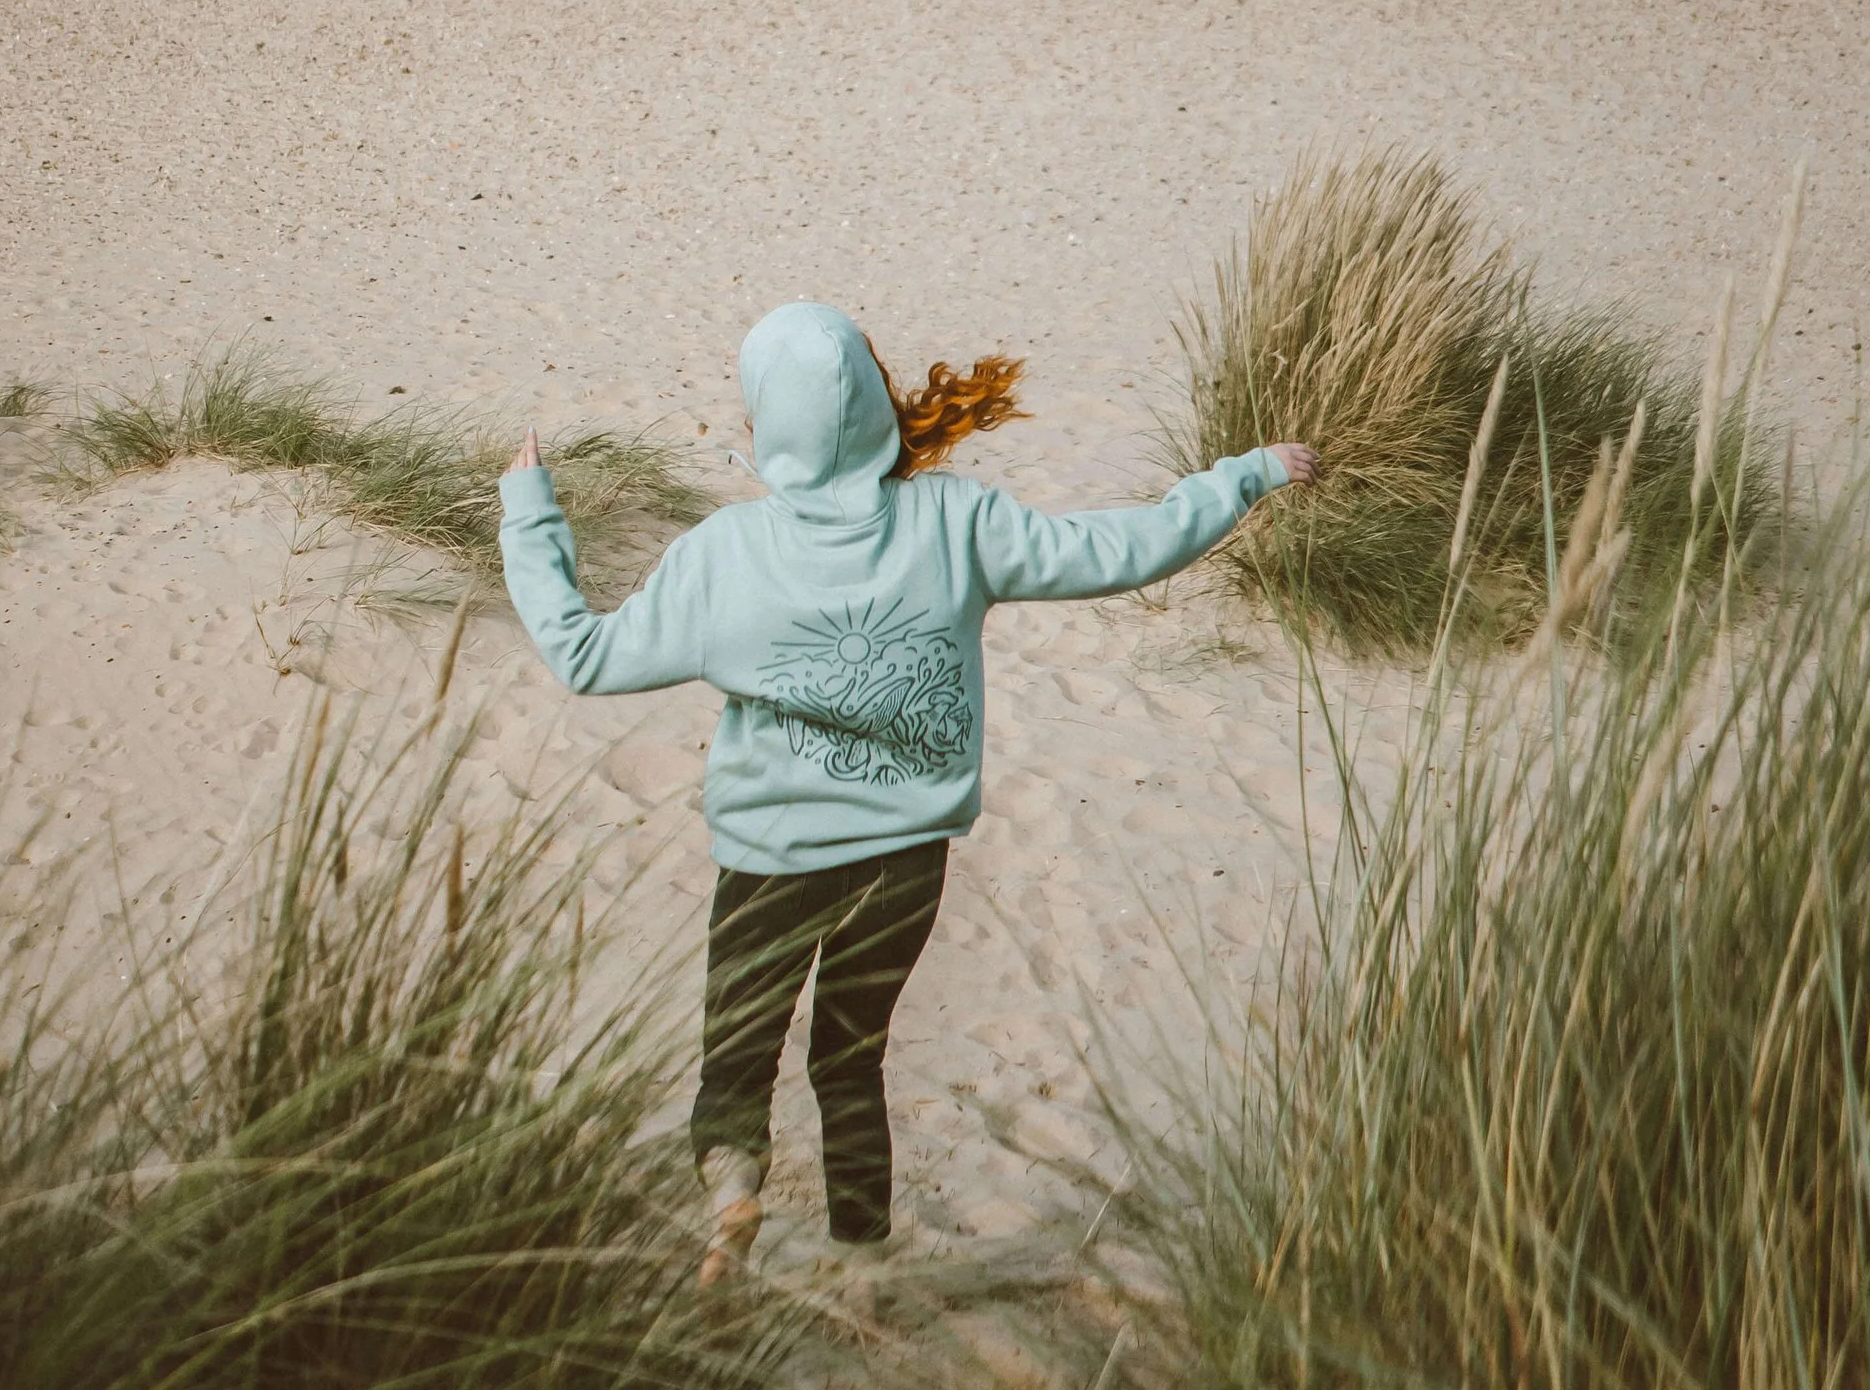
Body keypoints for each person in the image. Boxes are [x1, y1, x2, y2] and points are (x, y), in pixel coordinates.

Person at [501, 302, 1316, 1288]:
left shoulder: (724, 553)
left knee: (737, 1059)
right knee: (849, 1059)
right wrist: (1244, 476)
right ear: (879, 407)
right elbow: (1120, 550)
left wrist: (529, 513)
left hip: (769, 865)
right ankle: (862, 1259)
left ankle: (733, 1196)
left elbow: (585, 656)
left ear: (763, 426)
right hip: (903, 865)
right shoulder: (955, 521)